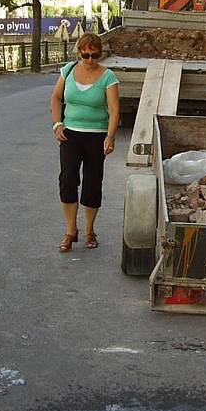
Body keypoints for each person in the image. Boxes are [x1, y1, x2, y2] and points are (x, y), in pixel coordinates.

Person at [50, 33, 120, 252]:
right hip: (70, 134)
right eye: (86, 55)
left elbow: (114, 109)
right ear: (78, 52)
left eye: (95, 55)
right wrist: (57, 123)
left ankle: (89, 229)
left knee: (92, 181)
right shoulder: (68, 71)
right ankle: (71, 230)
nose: (90, 60)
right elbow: (56, 98)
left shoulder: (108, 76)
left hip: (96, 135)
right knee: (67, 179)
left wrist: (110, 136)